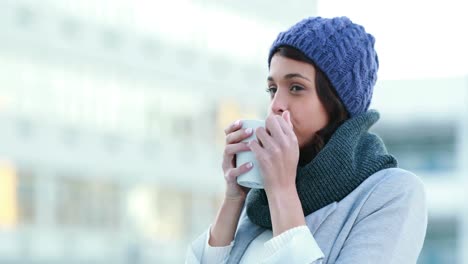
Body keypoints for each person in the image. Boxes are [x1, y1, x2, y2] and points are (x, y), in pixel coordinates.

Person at [186, 16, 427, 264]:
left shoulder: (393, 192)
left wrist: (282, 190)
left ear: (337, 102)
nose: (276, 105)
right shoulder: (261, 202)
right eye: (273, 89)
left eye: (296, 88)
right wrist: (234, 198)